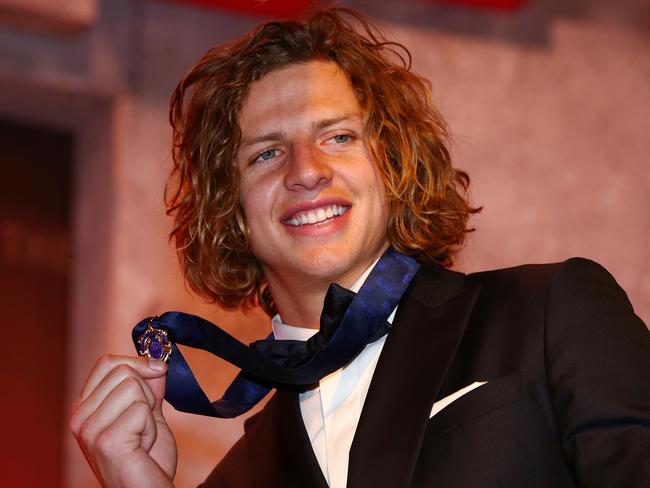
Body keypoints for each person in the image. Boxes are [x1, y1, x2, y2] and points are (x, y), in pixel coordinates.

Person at [70, 8, 650, 488]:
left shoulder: (551, 312)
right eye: (267, 153)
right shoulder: (236, 478)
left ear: (392, 166)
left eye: (338, 136)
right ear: (232, 214)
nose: (307, 171)